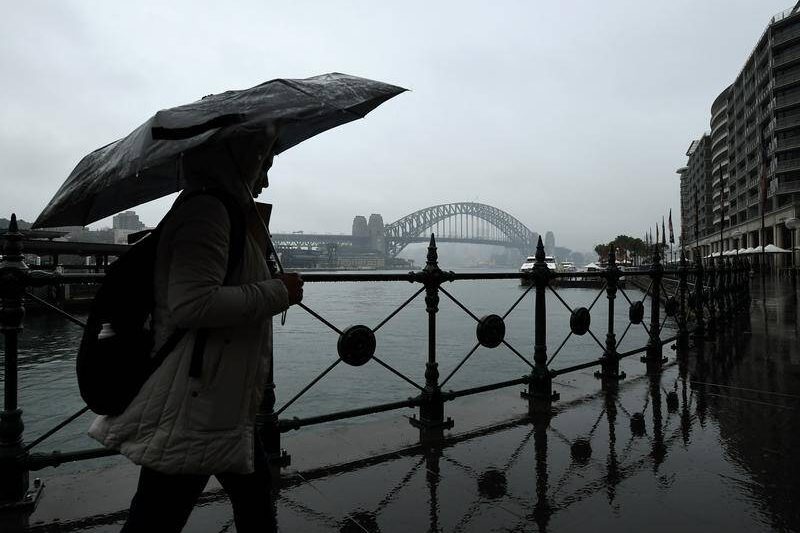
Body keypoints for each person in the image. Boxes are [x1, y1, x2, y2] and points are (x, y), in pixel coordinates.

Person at [88, 130, 302, 532]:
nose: (266, 179)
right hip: (197, 400)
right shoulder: (207, 212)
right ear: (237, 158)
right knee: (159, 515)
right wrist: (277, 292)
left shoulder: (223, 210)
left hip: (218, 397)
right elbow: (192, 304)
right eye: (263, 164)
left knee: (253, 499)